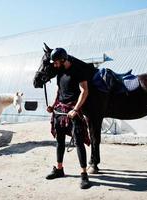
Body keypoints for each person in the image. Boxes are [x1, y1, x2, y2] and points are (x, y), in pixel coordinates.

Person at [46, 47, 97, 189]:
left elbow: (84, 90)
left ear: (63, 60)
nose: (54, 65)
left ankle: (84, 174)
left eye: (56, 62)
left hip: (73, 112)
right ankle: (60, 169)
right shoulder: (60, 73)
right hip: (60, 111)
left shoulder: (78, 70)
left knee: (79, 142)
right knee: (59, 141)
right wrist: (52, 105)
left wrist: (76, 109)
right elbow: (59, 91)